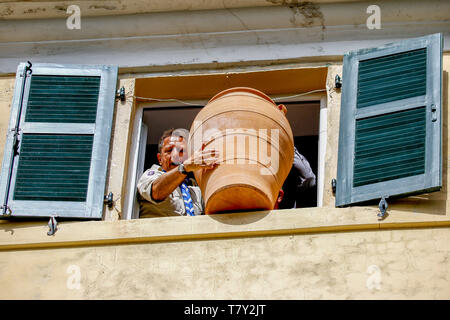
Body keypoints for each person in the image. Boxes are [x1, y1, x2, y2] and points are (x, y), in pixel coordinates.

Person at [137, 128, 219, 218]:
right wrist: (184, 167)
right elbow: (156, 192)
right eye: (169, 150)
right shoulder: (151, 175)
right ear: (160, 159)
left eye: (181, 151)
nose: (175, 155)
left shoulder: (195, 187)